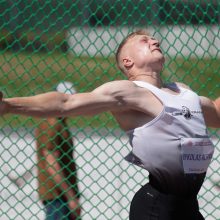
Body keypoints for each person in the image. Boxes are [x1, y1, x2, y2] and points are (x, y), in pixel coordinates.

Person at [0, 29, 219, 220]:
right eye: (144, 41)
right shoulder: (129, 92)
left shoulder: (184, 92)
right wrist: (9, 106)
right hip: (157, 206)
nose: (154, 41)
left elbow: (217, 114)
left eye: (154, 39)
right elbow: (66, 103)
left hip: (189, 206)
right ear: (127, 61)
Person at [36, 82, 81, 220]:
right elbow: (51, 163)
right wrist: (71, 196)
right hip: (57, 196)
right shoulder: (52, 123)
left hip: (61, 196)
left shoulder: (60, 123)